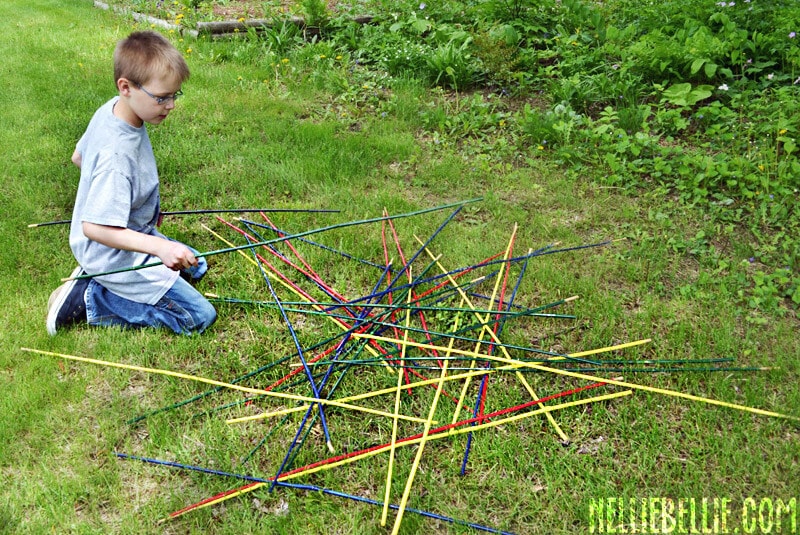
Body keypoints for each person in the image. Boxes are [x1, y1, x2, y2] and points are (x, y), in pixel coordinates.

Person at [46, 30, 216, 336]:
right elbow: (94, 228)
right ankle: (90, 298)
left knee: (196, 265)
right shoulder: (117, 154)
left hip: (126, 233)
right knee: (199, 316)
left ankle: (106, 277)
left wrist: (134, 208)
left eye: (174, 95)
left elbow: (78, 157)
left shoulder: (113, 109)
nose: (171, 105)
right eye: (162, 97)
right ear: (126, 87)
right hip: (109, 250)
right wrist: (157, 248)